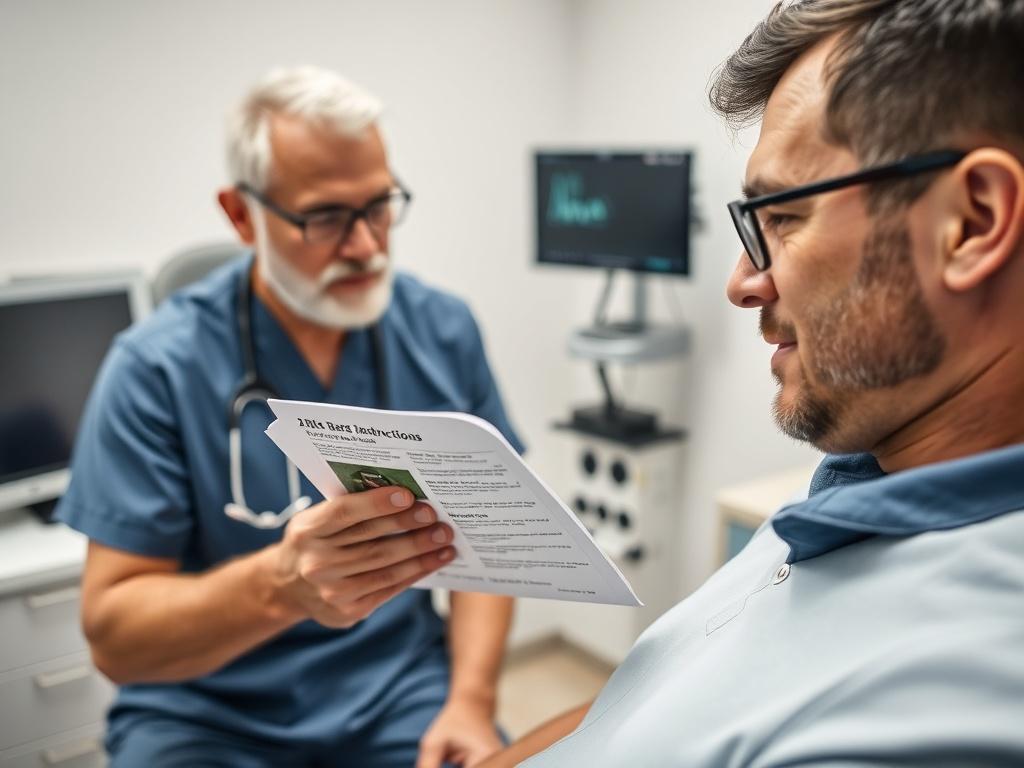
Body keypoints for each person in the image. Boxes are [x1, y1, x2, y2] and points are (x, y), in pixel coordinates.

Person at [482, 1, 1024, 765]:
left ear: (970, 221)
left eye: (783, 215)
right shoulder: (860, 479)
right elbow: (644, 697)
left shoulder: (950, 705)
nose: (742, 282)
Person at [56, 66, 522, 768]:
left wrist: (472, 700)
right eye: (327, 217)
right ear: (241, 216)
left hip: (397, 690)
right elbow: (114, 640)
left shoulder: (441, 330)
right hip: (204, 710)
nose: (367, 245)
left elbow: (492, 545)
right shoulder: (155, 367)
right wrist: (280, 585)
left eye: (380, 205)